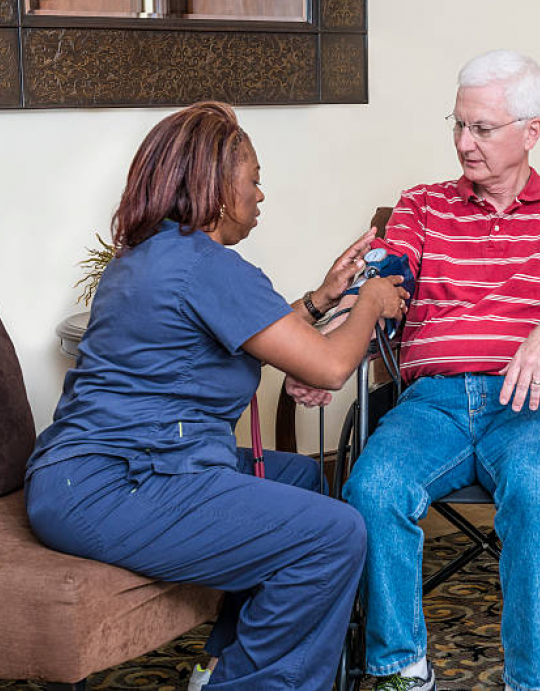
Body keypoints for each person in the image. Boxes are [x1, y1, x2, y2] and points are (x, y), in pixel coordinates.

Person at [24, 100, 409, 691]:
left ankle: (220, 666)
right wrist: (374, 302)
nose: (261, 195)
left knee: (301, 480)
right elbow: (331, 368)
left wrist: (324, 299)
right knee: (334, 535)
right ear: (217, 186)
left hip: (84, 474)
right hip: (117, 485)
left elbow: (248, 333)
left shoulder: (153, 254)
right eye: (254, 180)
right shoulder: (209, 267)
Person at [298, 50, 540, 691]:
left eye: (482, 128)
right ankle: (401, 667)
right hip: (433, 401)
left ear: (531, 131)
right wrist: (334, 357)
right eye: (457, 124)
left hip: (532, 402)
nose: (463, 142)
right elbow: (382, 294)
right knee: (372, 489)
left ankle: (531, 681)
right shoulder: (421, 207)